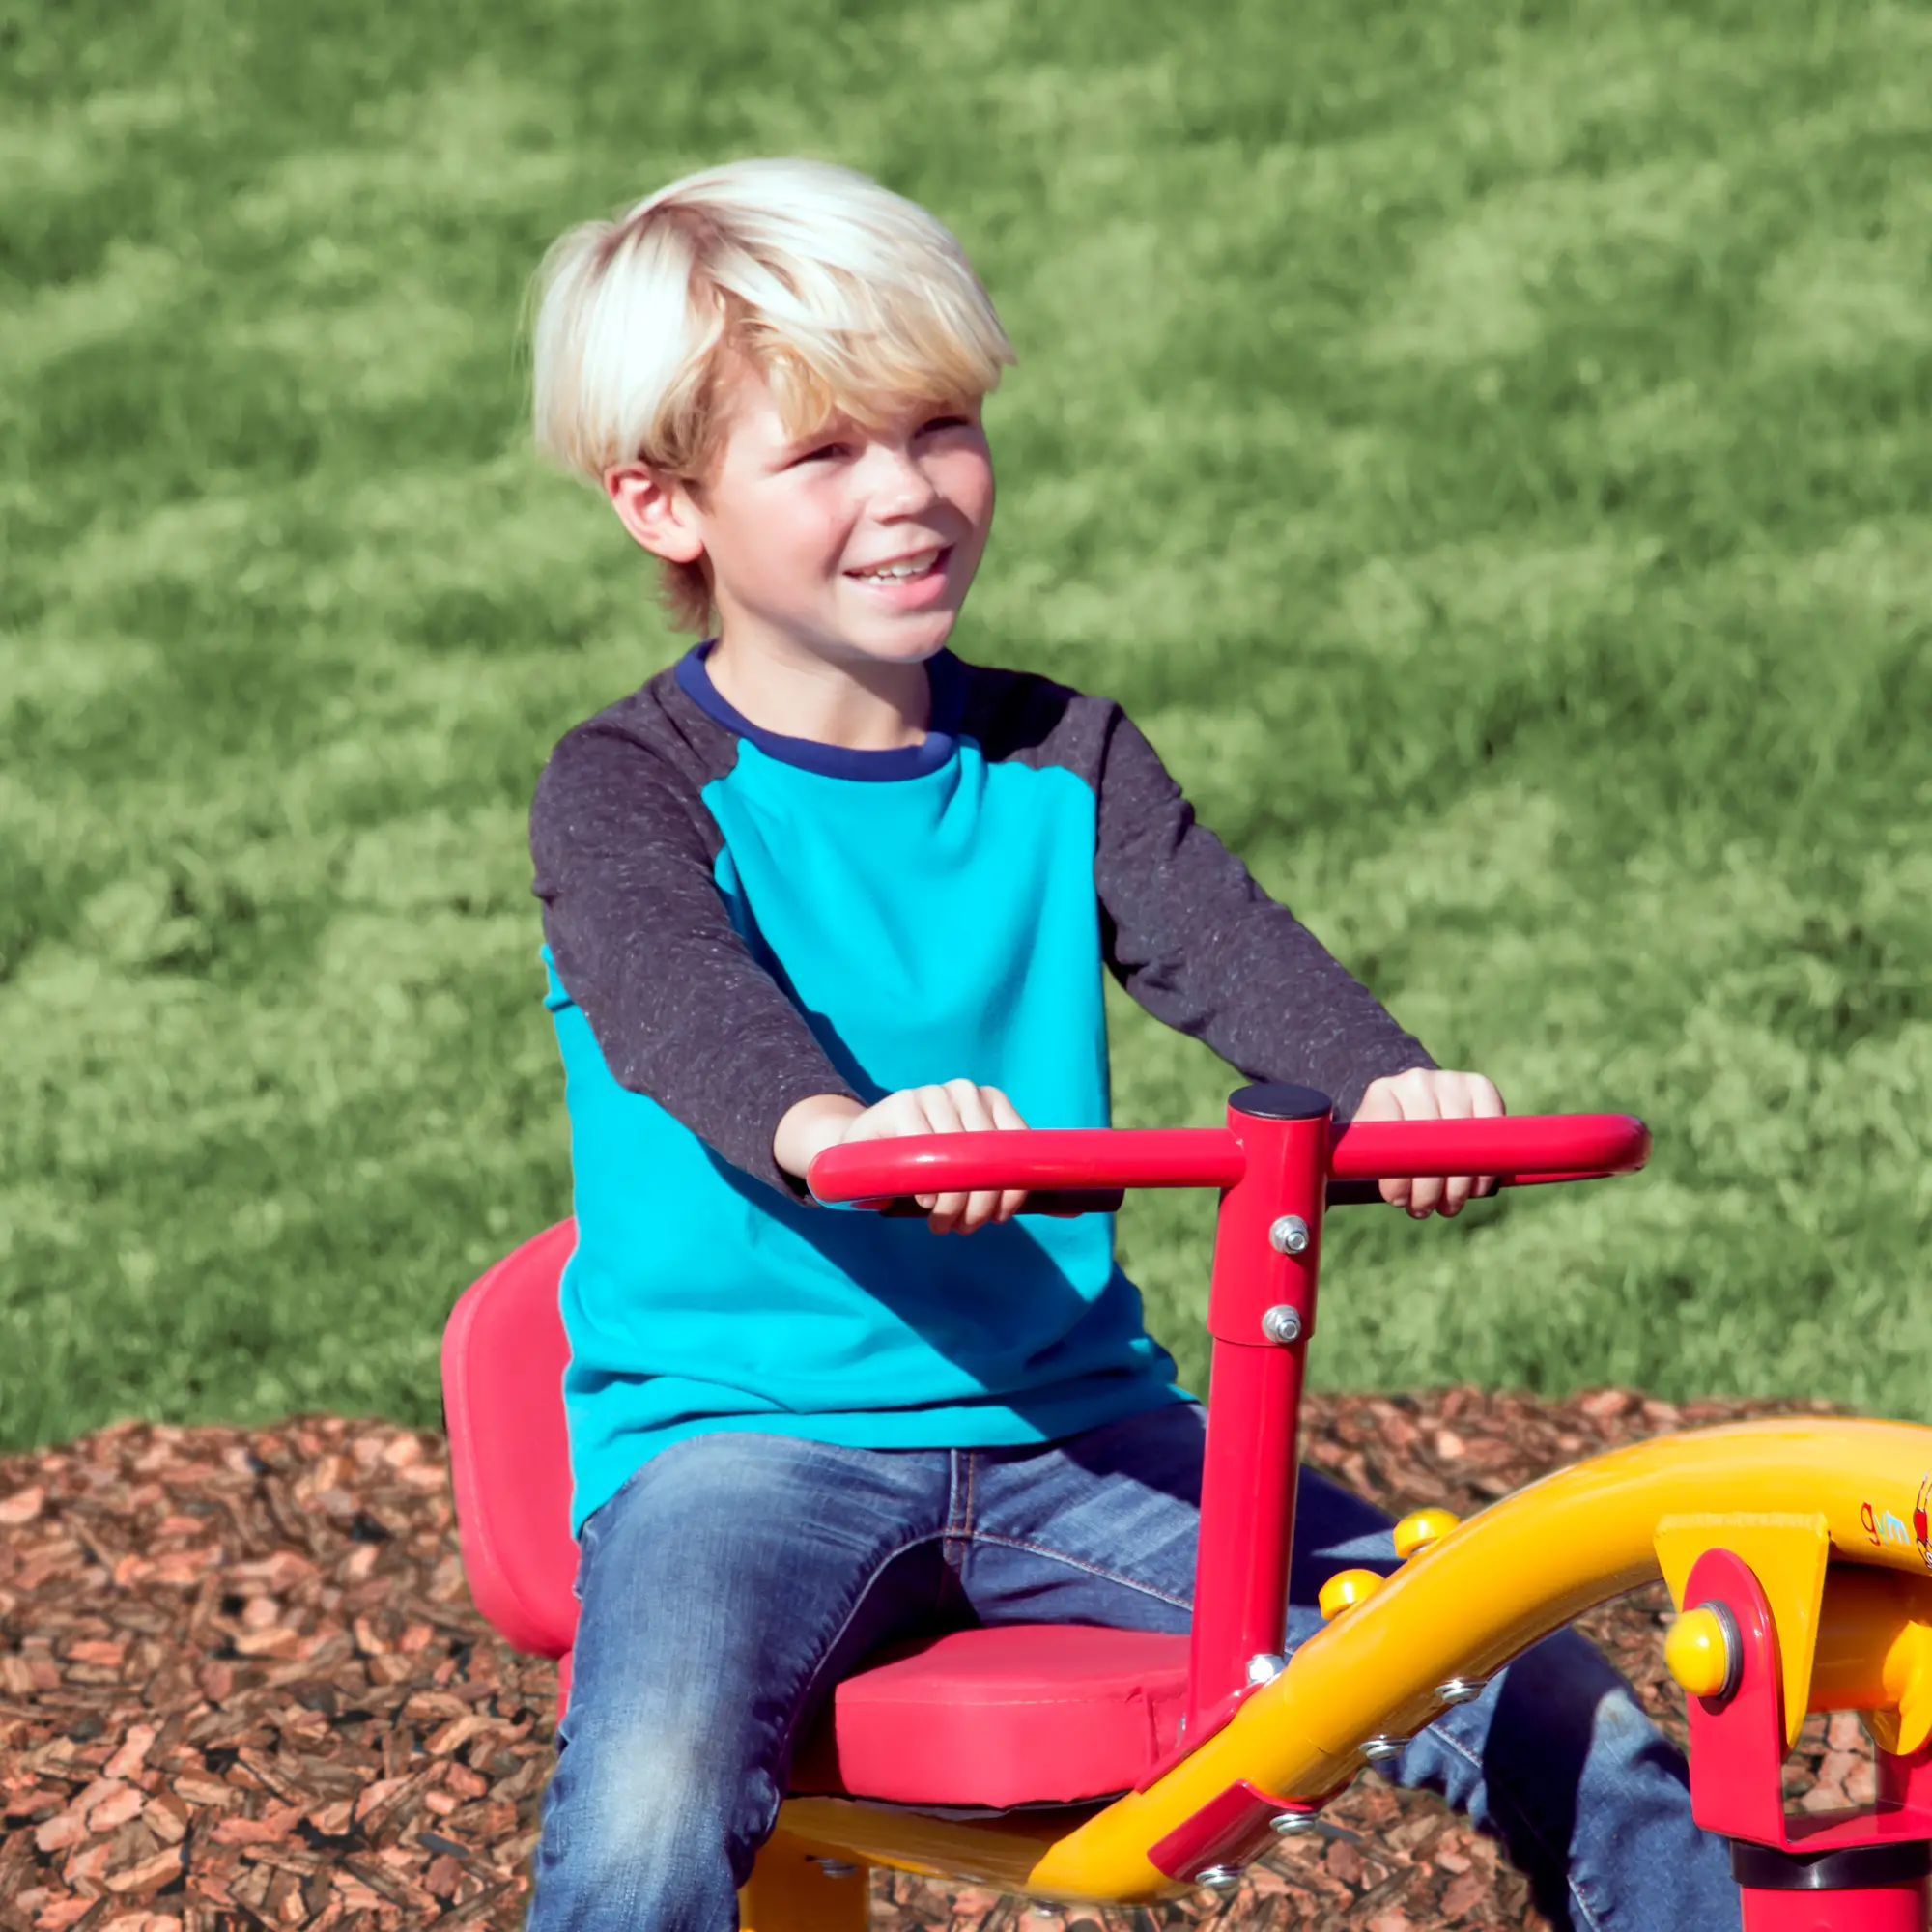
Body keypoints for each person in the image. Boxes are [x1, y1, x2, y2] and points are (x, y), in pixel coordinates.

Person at [520, 157, 1736, 1932]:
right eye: (827, 454)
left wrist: (1389, 1083)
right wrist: (834, 1127)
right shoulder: (627, 789)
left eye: (940, 429)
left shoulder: (1060, 759)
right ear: (662, 504)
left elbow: (1234, 959)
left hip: (1070, 1426)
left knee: (1516, 1674)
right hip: (742, 1445)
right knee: (649, 1803)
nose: (911, 493)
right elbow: (679, 1007)